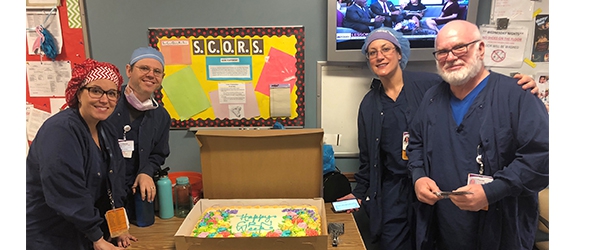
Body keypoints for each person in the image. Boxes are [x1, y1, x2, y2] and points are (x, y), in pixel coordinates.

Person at [335, 27, 538, 250]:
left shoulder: (430, 87)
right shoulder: (372, 105)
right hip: (400, 191)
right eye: (372, 52)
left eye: (385, 49)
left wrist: (521, 88)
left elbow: (474, 85)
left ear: (400, 53)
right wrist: (358, 193)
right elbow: (375, 157)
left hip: (442, 190)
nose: (379, 56)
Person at [407, 20, 549, 250]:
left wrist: (492, 191)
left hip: (500, 229)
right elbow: (415, 144)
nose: (450, 57)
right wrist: (419, 176)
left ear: (480, 48)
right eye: (442, 51)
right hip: (443, 228)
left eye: (459, 47)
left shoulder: (517, 96)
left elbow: (541, 158)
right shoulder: (431, 99)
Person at [27, 59, 138, 249]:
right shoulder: (61, 131)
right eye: (96, 91)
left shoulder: (106, 130)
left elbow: (115, 181)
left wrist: (118, 228)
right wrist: (96, 236)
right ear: (79, 93)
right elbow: (66, 192)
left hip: (84, 231)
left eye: (112, 93)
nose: (104, 99)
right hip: (51, 235)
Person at [107, 47, 171, 224]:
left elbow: (158, 153)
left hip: (136, 197)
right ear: (129, 70)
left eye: (157, 71)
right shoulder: (107, 104)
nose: (151, 74)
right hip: (104, 195)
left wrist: (146, 172)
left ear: (161, 78)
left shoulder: (161, 116)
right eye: (144, 68)